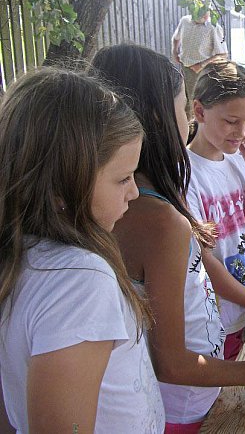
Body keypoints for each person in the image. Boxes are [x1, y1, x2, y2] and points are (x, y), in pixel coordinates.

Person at [91, 45, 245, 433]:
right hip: (177, 405)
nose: (187, 119)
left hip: (180, 393)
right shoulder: (157, 214)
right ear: (158, 116)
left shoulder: (144, 198)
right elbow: (171, 361)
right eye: (183, 110)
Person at [0, 68, 165, 432]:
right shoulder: (79, 281)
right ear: (60, 186)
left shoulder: (24, 258)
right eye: (122, 178)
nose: (134, 192)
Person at [187, 59, 245, 361]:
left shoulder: (238, 160)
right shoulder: (186, 175)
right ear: (199, 111)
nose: (242, 132)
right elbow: (203, 263)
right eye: (231, 121)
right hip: (221, 316)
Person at [172, 10, 228, 112]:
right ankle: (188, 126)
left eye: (207, 12)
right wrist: (175, 51)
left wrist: (202, 65)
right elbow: (176, 38)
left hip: (204, 72)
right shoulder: (185, 21)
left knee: (201, 103)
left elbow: (222, 54)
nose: (205, 15)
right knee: (185, 102)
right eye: (201, 11)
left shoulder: (213, 27)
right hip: (185, 69)